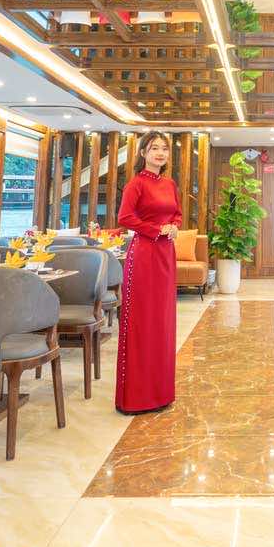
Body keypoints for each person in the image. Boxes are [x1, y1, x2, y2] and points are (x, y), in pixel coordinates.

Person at [114, 132, 181, 414]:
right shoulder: (136, 184)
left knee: (162, 321)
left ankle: (160, 393)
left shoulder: (170, 184)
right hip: (143, 254)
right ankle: (136, 398)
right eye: (154, 148)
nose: (160, 153)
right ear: (143, 152)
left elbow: (176, 213)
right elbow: (125, 217)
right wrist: (156, 230)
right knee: (142, 321)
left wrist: (174, 226)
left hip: (166, 255)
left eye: (164, 149)